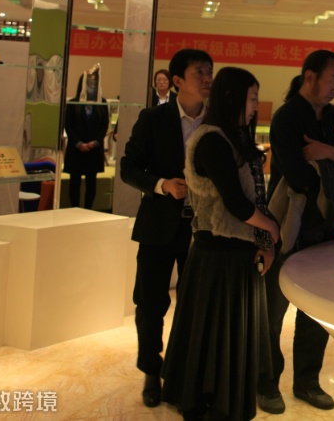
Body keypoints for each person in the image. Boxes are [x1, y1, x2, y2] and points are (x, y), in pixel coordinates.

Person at [161, 67, 280, 421]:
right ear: (232, 98)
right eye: (252, 98)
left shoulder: (235, 138)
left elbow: (254, 199)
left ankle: (224, 401)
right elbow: (237, 204)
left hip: (239, 255)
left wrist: (265, 241)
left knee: (229, 338)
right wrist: (271, 229)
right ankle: (205, 402)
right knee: (213, 337)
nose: (255, 106)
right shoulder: (212, 140)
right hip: (217, 257)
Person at [261, 50, 334, 413]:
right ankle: (266, 383)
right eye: (333, 78)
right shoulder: (287, 117)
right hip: (288, 225)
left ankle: (307, 381)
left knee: (316, 311)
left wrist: (324, 152)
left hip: (326, 227)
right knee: (272, 312)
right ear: (309, 77)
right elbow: (298, 174)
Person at [120, 48, 214, 408]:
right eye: (199, 72)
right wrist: (161, 184)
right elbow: (129, 167)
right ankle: (150, 369)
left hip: (204, 229)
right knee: (150, 303)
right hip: (158, 224)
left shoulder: (217, 121)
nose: (207, 78)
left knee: (197, 305)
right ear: (176, 81)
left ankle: (184, 372)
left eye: (209, 72)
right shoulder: (153, 118)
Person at [64, 64, 109, 210]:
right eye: (88, 83)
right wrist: (79, 143)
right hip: (76, 149)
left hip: (94, 149)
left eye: (94, 84)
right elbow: (68, 126)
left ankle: (88, 210)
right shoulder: (73, 103)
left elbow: (104, 125)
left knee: (91, 182)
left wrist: (95, 142)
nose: (91, 86)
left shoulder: (102, 103)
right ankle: (74, 209)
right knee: (74, 182)